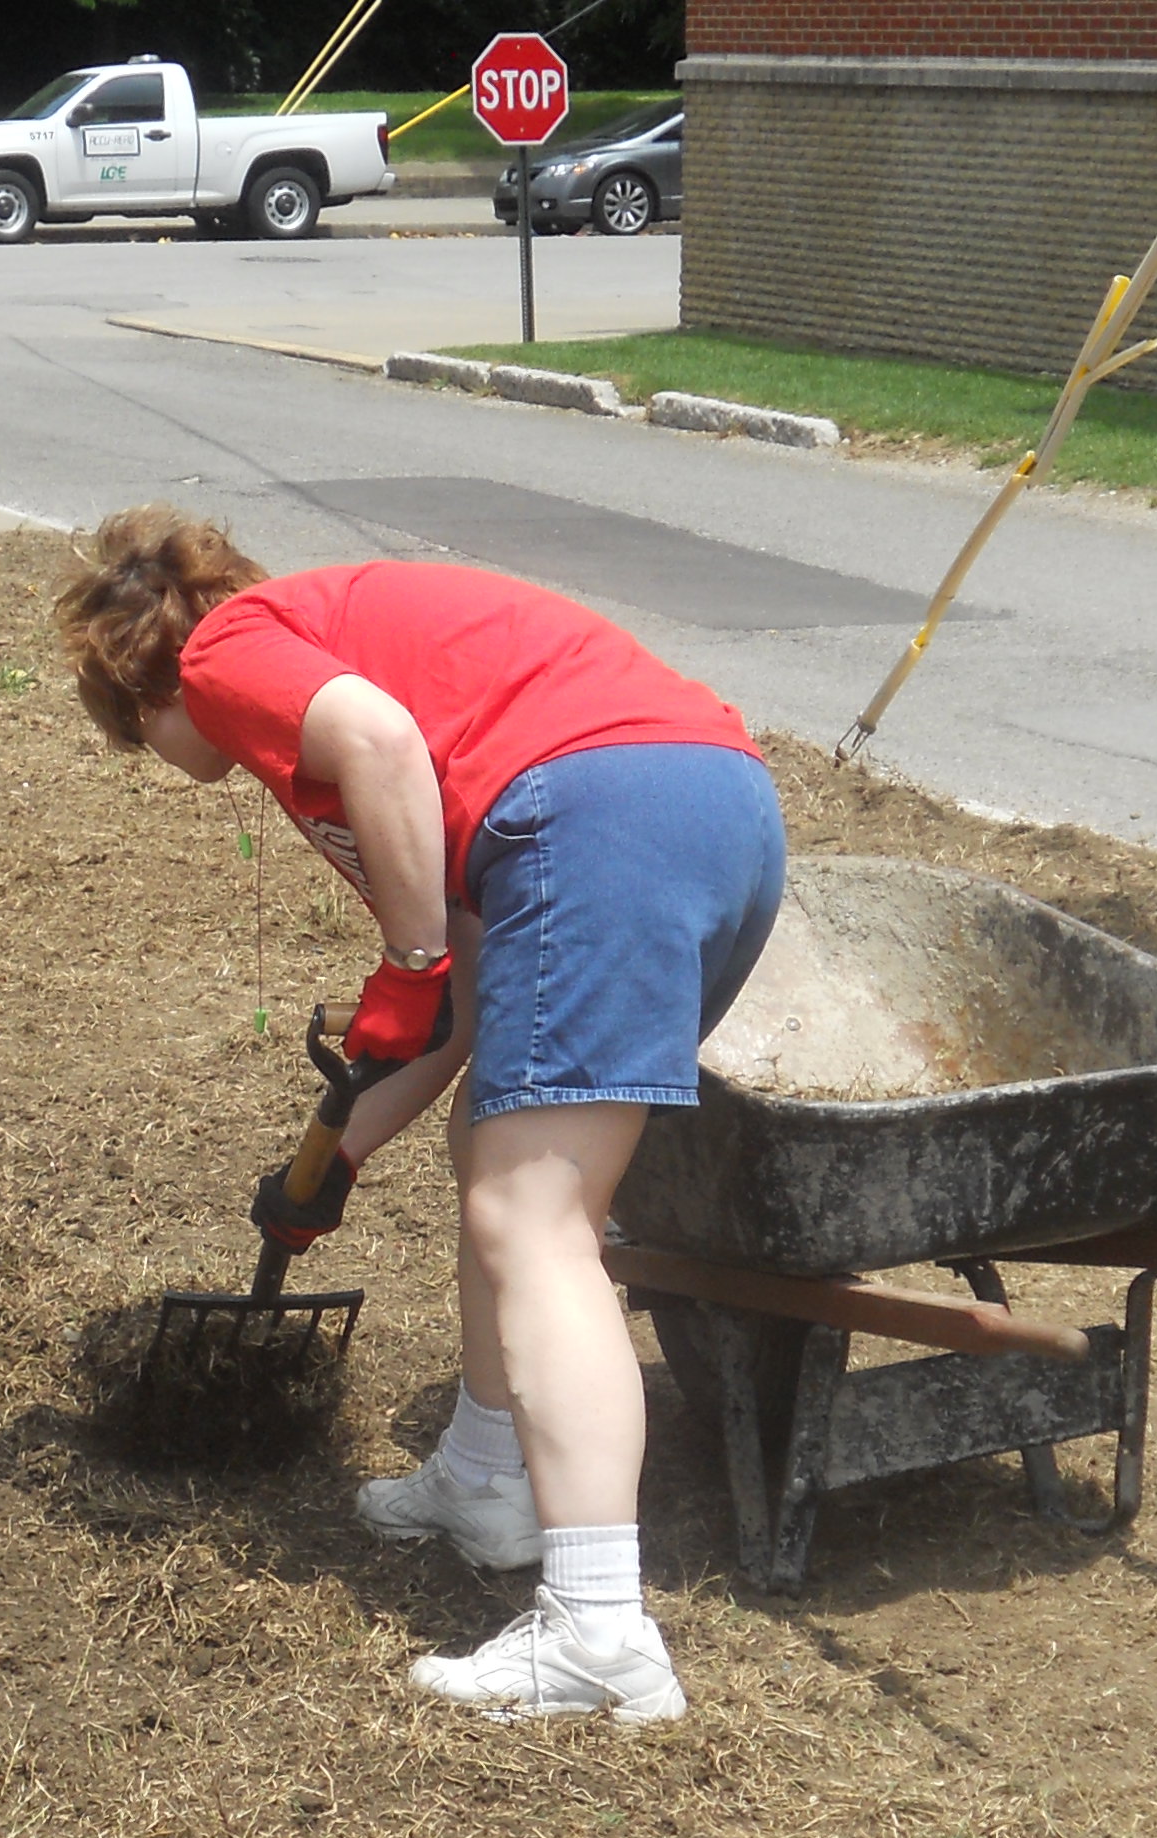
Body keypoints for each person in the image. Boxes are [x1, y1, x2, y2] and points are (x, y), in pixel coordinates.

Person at [54, 510, 785, 1722]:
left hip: (600, 818)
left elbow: (383, 751)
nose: (155, 752)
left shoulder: (229, 653)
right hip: (709, 813)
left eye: (135, 732)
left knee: (536, 1214)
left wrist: (398, 956)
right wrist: (334, 1155)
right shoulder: (395, 690)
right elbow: (464, 1007)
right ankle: (486, 1478)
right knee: (496, 1157)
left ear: (141, 681)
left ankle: (600, 1629)